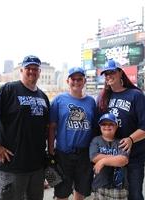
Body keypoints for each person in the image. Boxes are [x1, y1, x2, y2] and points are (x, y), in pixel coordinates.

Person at [0, 55, 50, 200]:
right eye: (28, 68)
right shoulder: (9, 89)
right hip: (12, 164)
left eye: (35, 69)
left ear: (39, 72)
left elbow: (47, 126)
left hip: (37, 165)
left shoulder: (43, 96)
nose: (32, 71)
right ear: (21, 70)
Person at [97, 59, 145, 200]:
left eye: (112, 72)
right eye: (106, 73)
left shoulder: (135, 95)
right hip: (110, 156)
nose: (109, 76)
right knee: (111, 195)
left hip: (133, 158)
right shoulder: (102, 97)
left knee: (134, 195)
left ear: (120, 72)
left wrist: (131, 139)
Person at [48, 67, 97, 200]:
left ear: (84, 81)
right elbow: (52, 127)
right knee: (61, 192)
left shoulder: (91, 101)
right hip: (63, 153)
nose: (76, 82)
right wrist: (51, 149)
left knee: (81, 190)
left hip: (84, 154)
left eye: (79, 79)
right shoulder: (59, 100)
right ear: (67, 81)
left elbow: (94, 128)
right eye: (73, 79)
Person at [89, 113, 129, 200]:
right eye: (104, 124)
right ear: (100, 126)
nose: (107, 126)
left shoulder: (121, 142)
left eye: (111, 124)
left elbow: (123, 160)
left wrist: (103, 161)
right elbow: (94, 157)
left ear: (116, 126)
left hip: (119, 187)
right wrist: (115, 159)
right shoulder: (96, 140)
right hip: (100, 185)